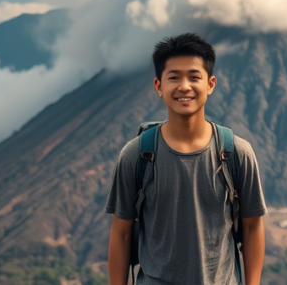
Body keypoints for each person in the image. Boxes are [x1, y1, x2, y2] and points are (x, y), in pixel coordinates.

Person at [106, 33, 267, 285]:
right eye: (174, 77)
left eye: (194, 77)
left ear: (210, 84)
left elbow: (252, 227)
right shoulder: (136, 155)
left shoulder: (236, 153)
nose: (184, 86)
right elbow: (122, 233)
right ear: (159, 86)